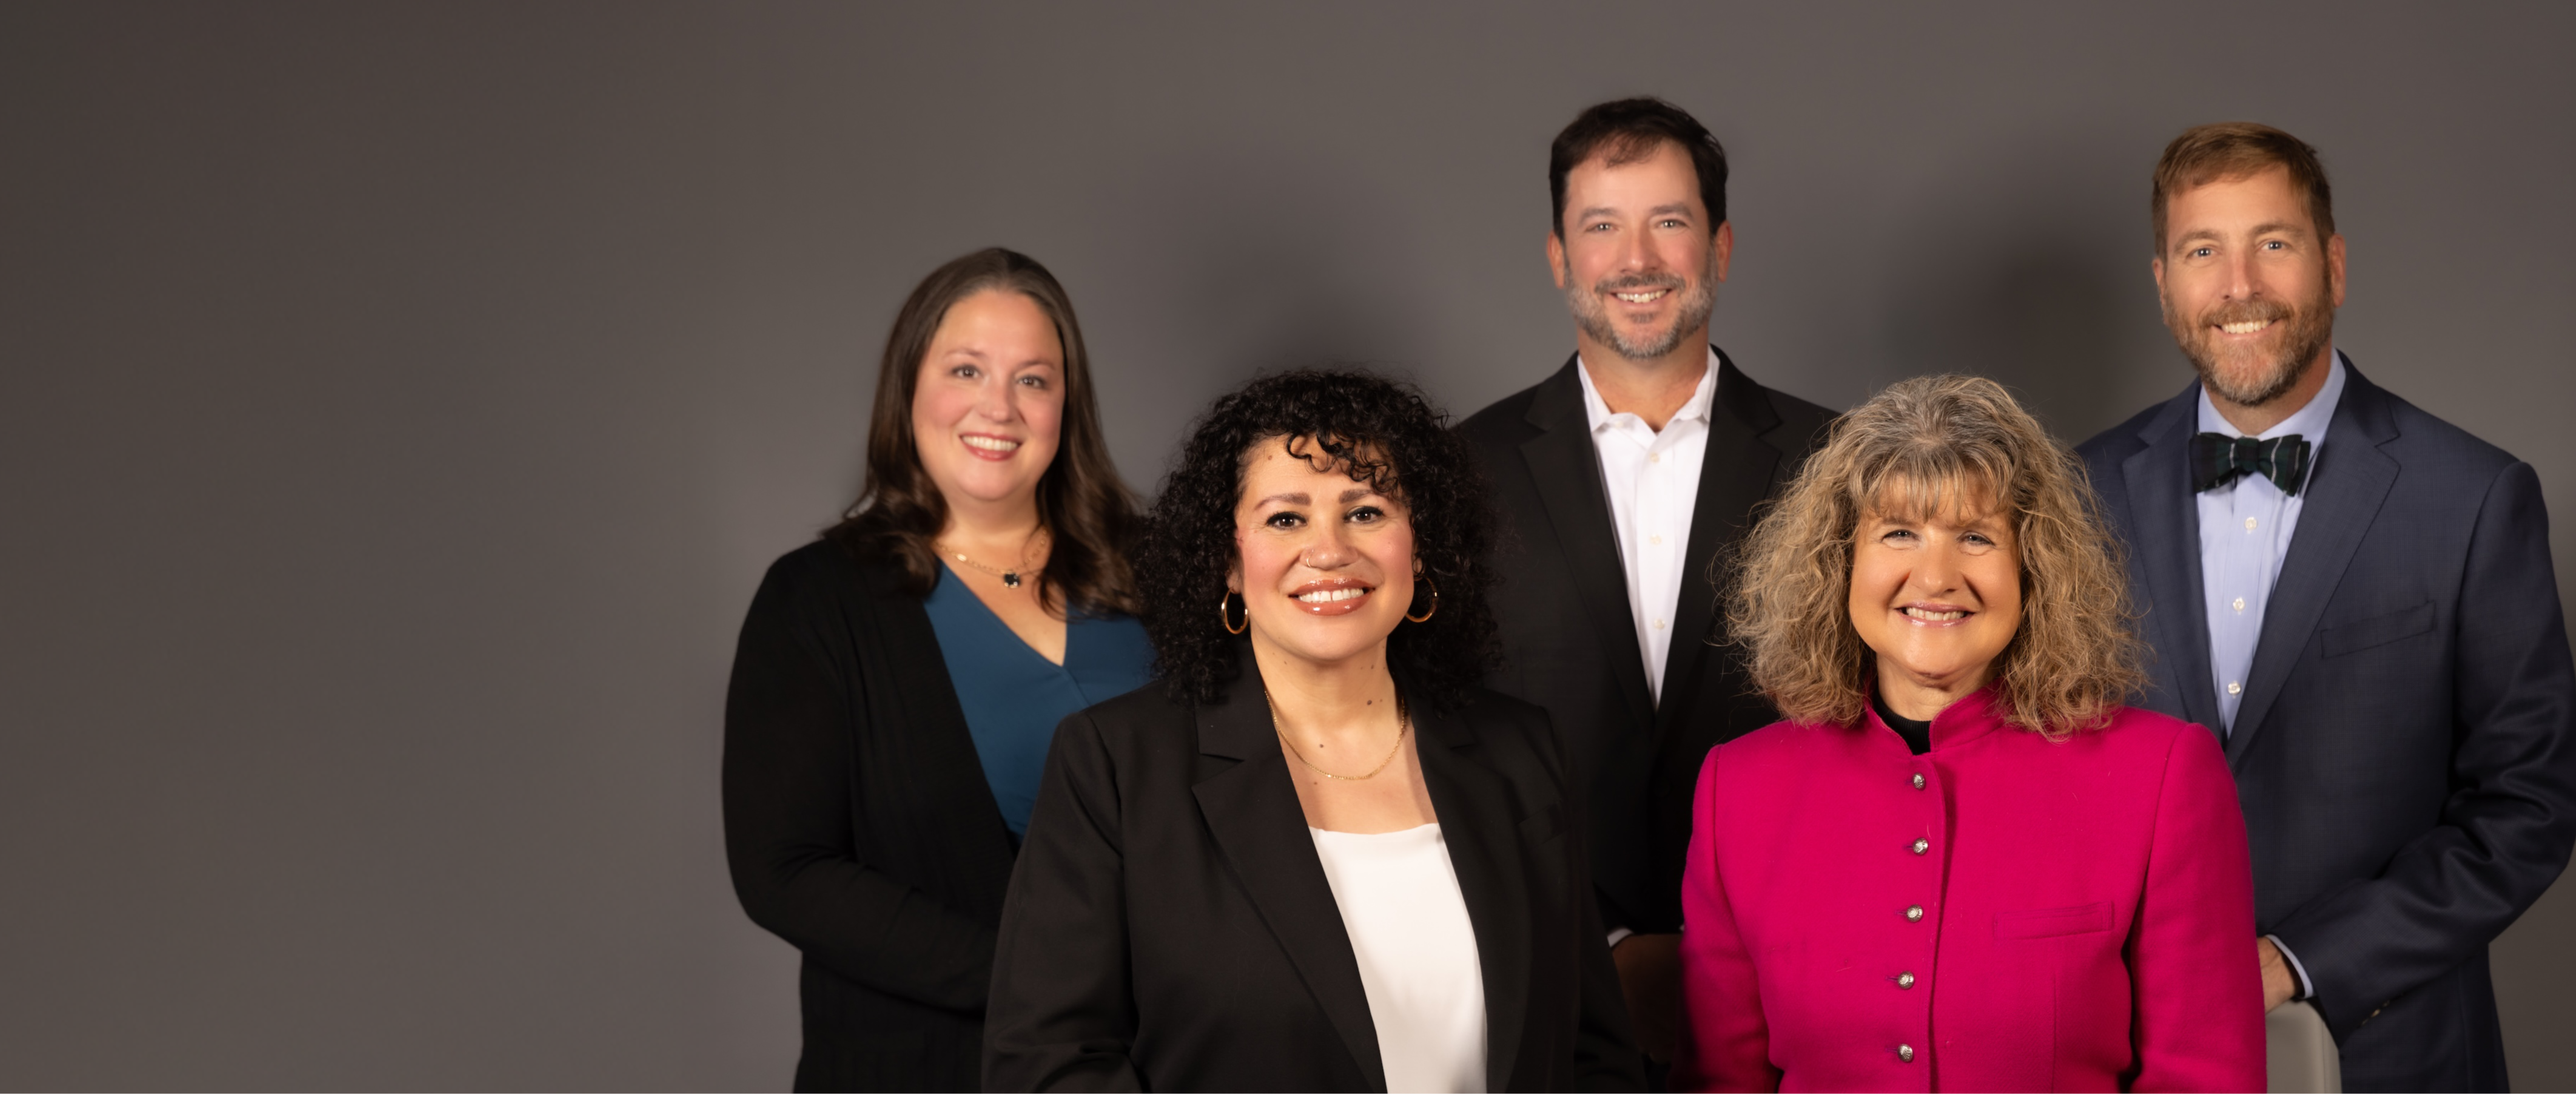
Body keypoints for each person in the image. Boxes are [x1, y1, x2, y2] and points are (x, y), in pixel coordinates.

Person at [2075, 123, 2576, 1092]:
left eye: (2272, 242)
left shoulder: (2473, 496)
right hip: (2132, 1048)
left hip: (2394, 1048)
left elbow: (2526, 807)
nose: (2238, 286)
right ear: (2162, 284)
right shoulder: (2075, 491)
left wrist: (2296, 960)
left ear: (2334, 265)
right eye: (2201, 252)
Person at [984, 370, 1644, 1093]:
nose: (1329, 550)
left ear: (1420, 548)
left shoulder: (1523, 754)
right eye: (1285, 518)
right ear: (1229, 563)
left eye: (1364, 511)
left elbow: (1593, 1052)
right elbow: (1045, 1064)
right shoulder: (1115, 764)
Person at [1681, 375, 2267, 1092]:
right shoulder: (1737, 791)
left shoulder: (2163, 775)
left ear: (2034, 566)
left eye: (1976, 536)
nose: (1935, 576)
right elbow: (1720, 1081)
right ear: (1841, 560)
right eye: (1898, 531)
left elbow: (2205, 1077)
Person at [1453, 96, 1835, 1060]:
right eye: (1601, 227)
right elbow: (1444, 733)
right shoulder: (1461, 470)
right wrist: (1600, 940)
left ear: (1720, 247)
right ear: (1557, 257)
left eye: (1668, 222)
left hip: (1796, 969)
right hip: (1543, 972)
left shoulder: (1840, 460)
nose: (1636, 260)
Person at [722, 248, 1157, 1091]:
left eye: (1033, 378)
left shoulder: (1162, 574)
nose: (999, 406)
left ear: (1067, 404)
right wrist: (1043, 985)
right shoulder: (816, 599)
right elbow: (785, 869)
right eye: (966, 369)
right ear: (909, 388)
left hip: (1163, 1061)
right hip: (923, 1064)